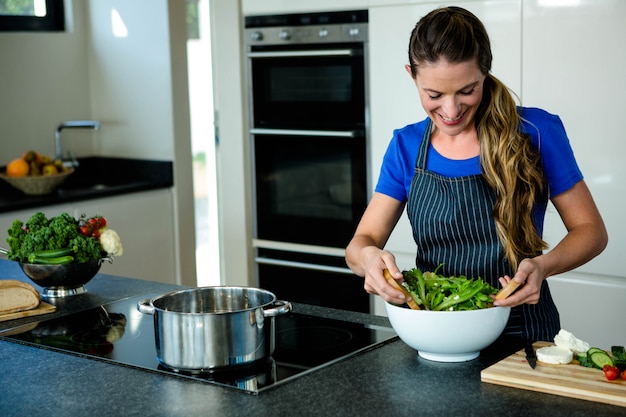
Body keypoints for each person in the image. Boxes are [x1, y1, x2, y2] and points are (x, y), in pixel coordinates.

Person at [345, 6, 608, 341]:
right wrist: (368, 258)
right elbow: (359, 244)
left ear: (485, 72)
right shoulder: (406, 145)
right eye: (434, 95)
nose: (451, 111)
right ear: (412, 75)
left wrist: (543, 266)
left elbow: (591, 231)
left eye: (467, 90)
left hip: (523, 334)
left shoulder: (536, 131)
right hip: (436, 333)